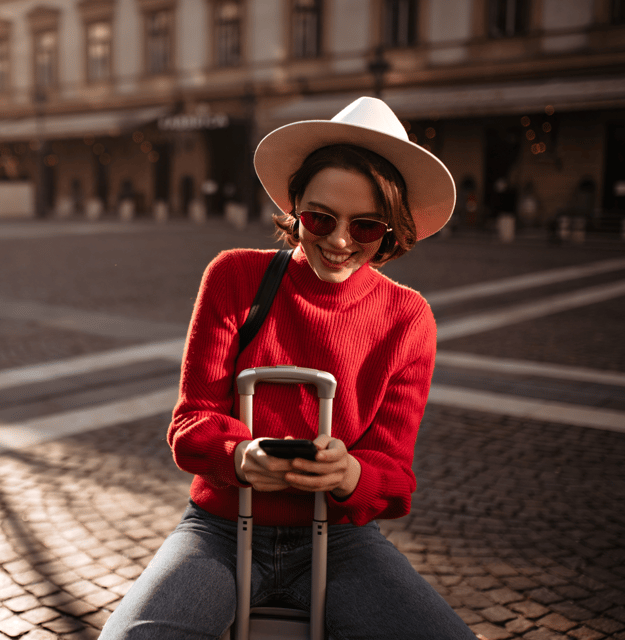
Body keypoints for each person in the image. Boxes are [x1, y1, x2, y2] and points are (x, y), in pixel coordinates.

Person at [99, 97, 477, 639]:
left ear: (391, 229)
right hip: (220, 530)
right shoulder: (234, 276)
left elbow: (395, 476)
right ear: (296, 206)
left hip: (343, 539)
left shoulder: (408, 316)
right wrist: (238, 455)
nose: (340, 241)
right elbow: (191, 424)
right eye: (320, 217)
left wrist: (351, 474)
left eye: (366, 226)